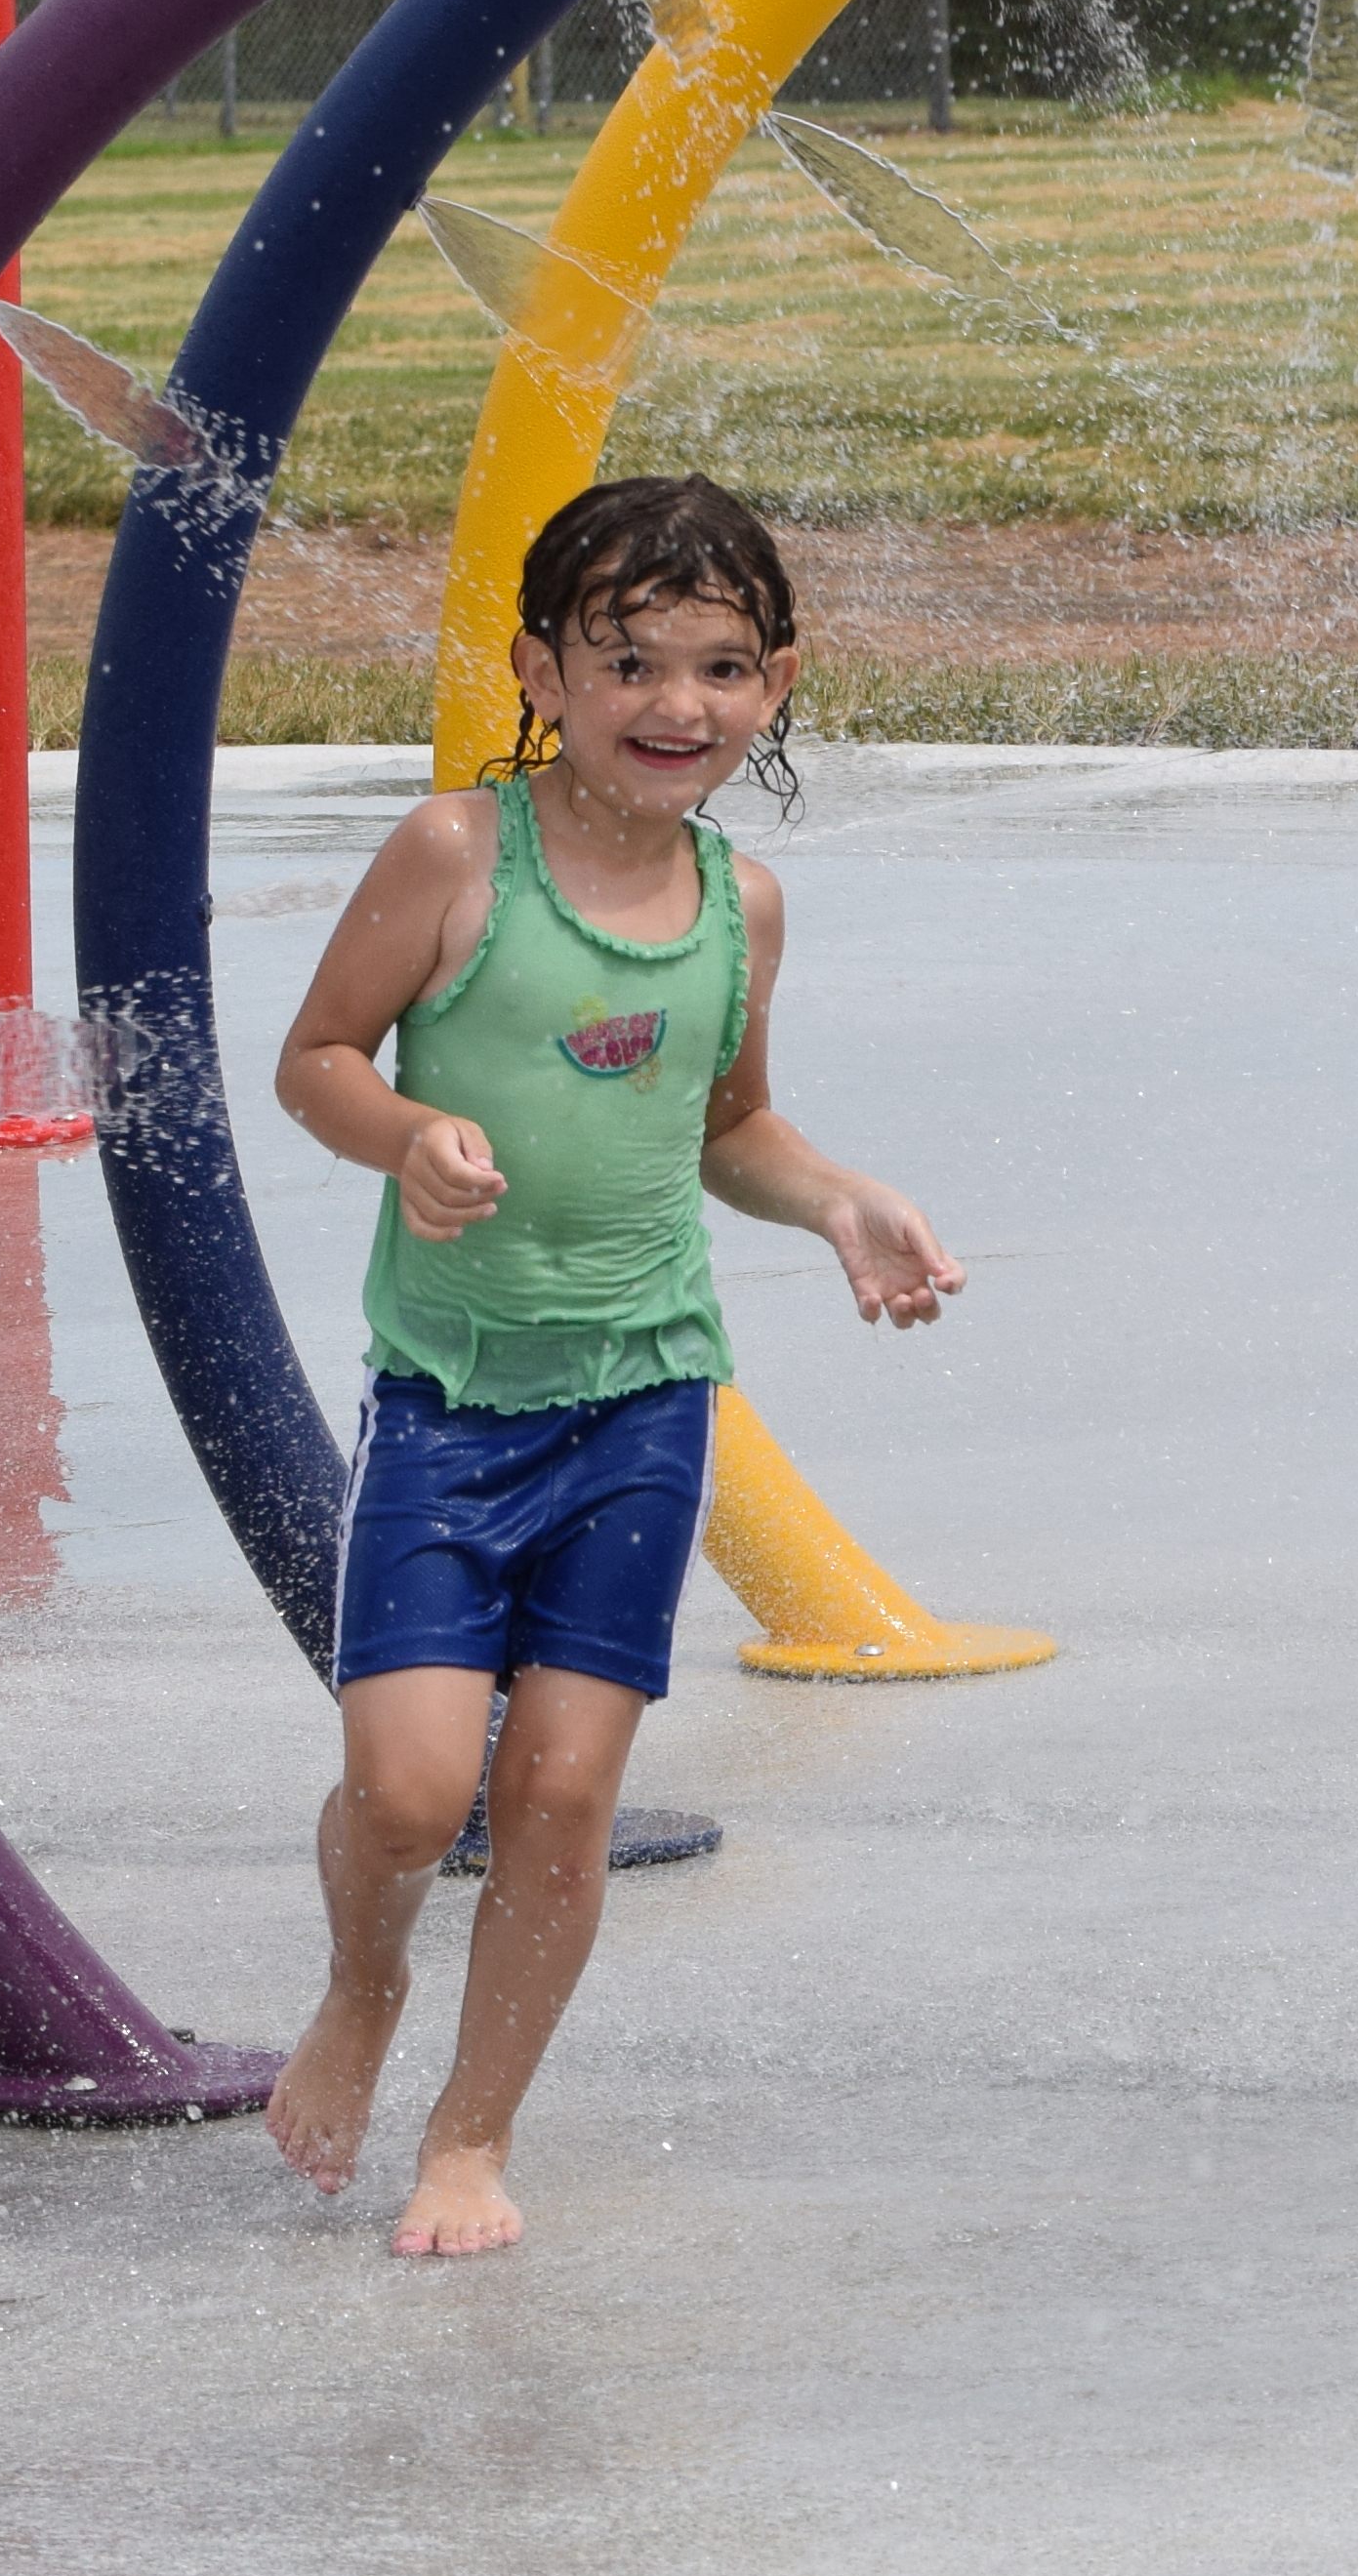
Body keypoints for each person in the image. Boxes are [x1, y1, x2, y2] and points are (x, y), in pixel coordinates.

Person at [260, 474, 965, 2254]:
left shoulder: (748, 906)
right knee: (413, 1794)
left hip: (645, 1399)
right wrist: (409, 1129)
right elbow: (318, 1057)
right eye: (629, 659)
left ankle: (473, 2144)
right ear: (541, 669)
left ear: (780, 681)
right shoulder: (456, 859)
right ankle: (361, 1986)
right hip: (447, 1402)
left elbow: (727, 1128)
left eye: (722, 667)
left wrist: (834, 1203)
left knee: (562, 1801)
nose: (677, 705)